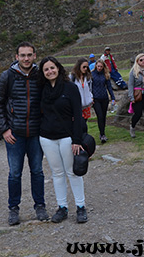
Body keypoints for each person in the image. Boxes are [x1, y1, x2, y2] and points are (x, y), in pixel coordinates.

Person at [0, 42, 49, 226]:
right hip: (14, 134)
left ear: (34, 56)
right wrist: (4, 129)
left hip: (36, 133)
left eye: (29, 55)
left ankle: (40, 205)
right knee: (15, 173)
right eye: (22, 55)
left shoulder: (40, 76)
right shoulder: (7, 76)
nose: (26, 58)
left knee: (38, 171)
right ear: (16, 57)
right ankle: (13, 208)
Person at [38, 56, 88, 224]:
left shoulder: (70, 88)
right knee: (57, 173)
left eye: (52, 68)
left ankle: (80, 206)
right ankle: (62, 207)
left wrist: (77, 140)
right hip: (47, 138)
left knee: (72, 172)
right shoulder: (42, 90)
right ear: (43, 73)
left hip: (67, 138)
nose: (50, 71)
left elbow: (77, 115)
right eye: (46, 69)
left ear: (58, 68)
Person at [91, 60, 115, 143]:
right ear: (96, 66)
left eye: (101, 66)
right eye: (98, 66)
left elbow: (109, 87)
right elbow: (89, 86)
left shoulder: (106, 75)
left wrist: (113, 97)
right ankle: (102, 134)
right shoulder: (92, 74)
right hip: (96, 99)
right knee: (100, 116)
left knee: (104, 116)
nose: (99, 68)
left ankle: (103, 133)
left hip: (104, 98)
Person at [69, 58, 94, 128]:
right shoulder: (72, 78)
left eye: (87, 67)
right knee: (80, 125)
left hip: (86, 106)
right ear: (79, 66)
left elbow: (90, 89)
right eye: (84, 67)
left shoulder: (87, 77)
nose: (85, 69)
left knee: (84, 125)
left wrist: (91, 97)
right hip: (77, 107)